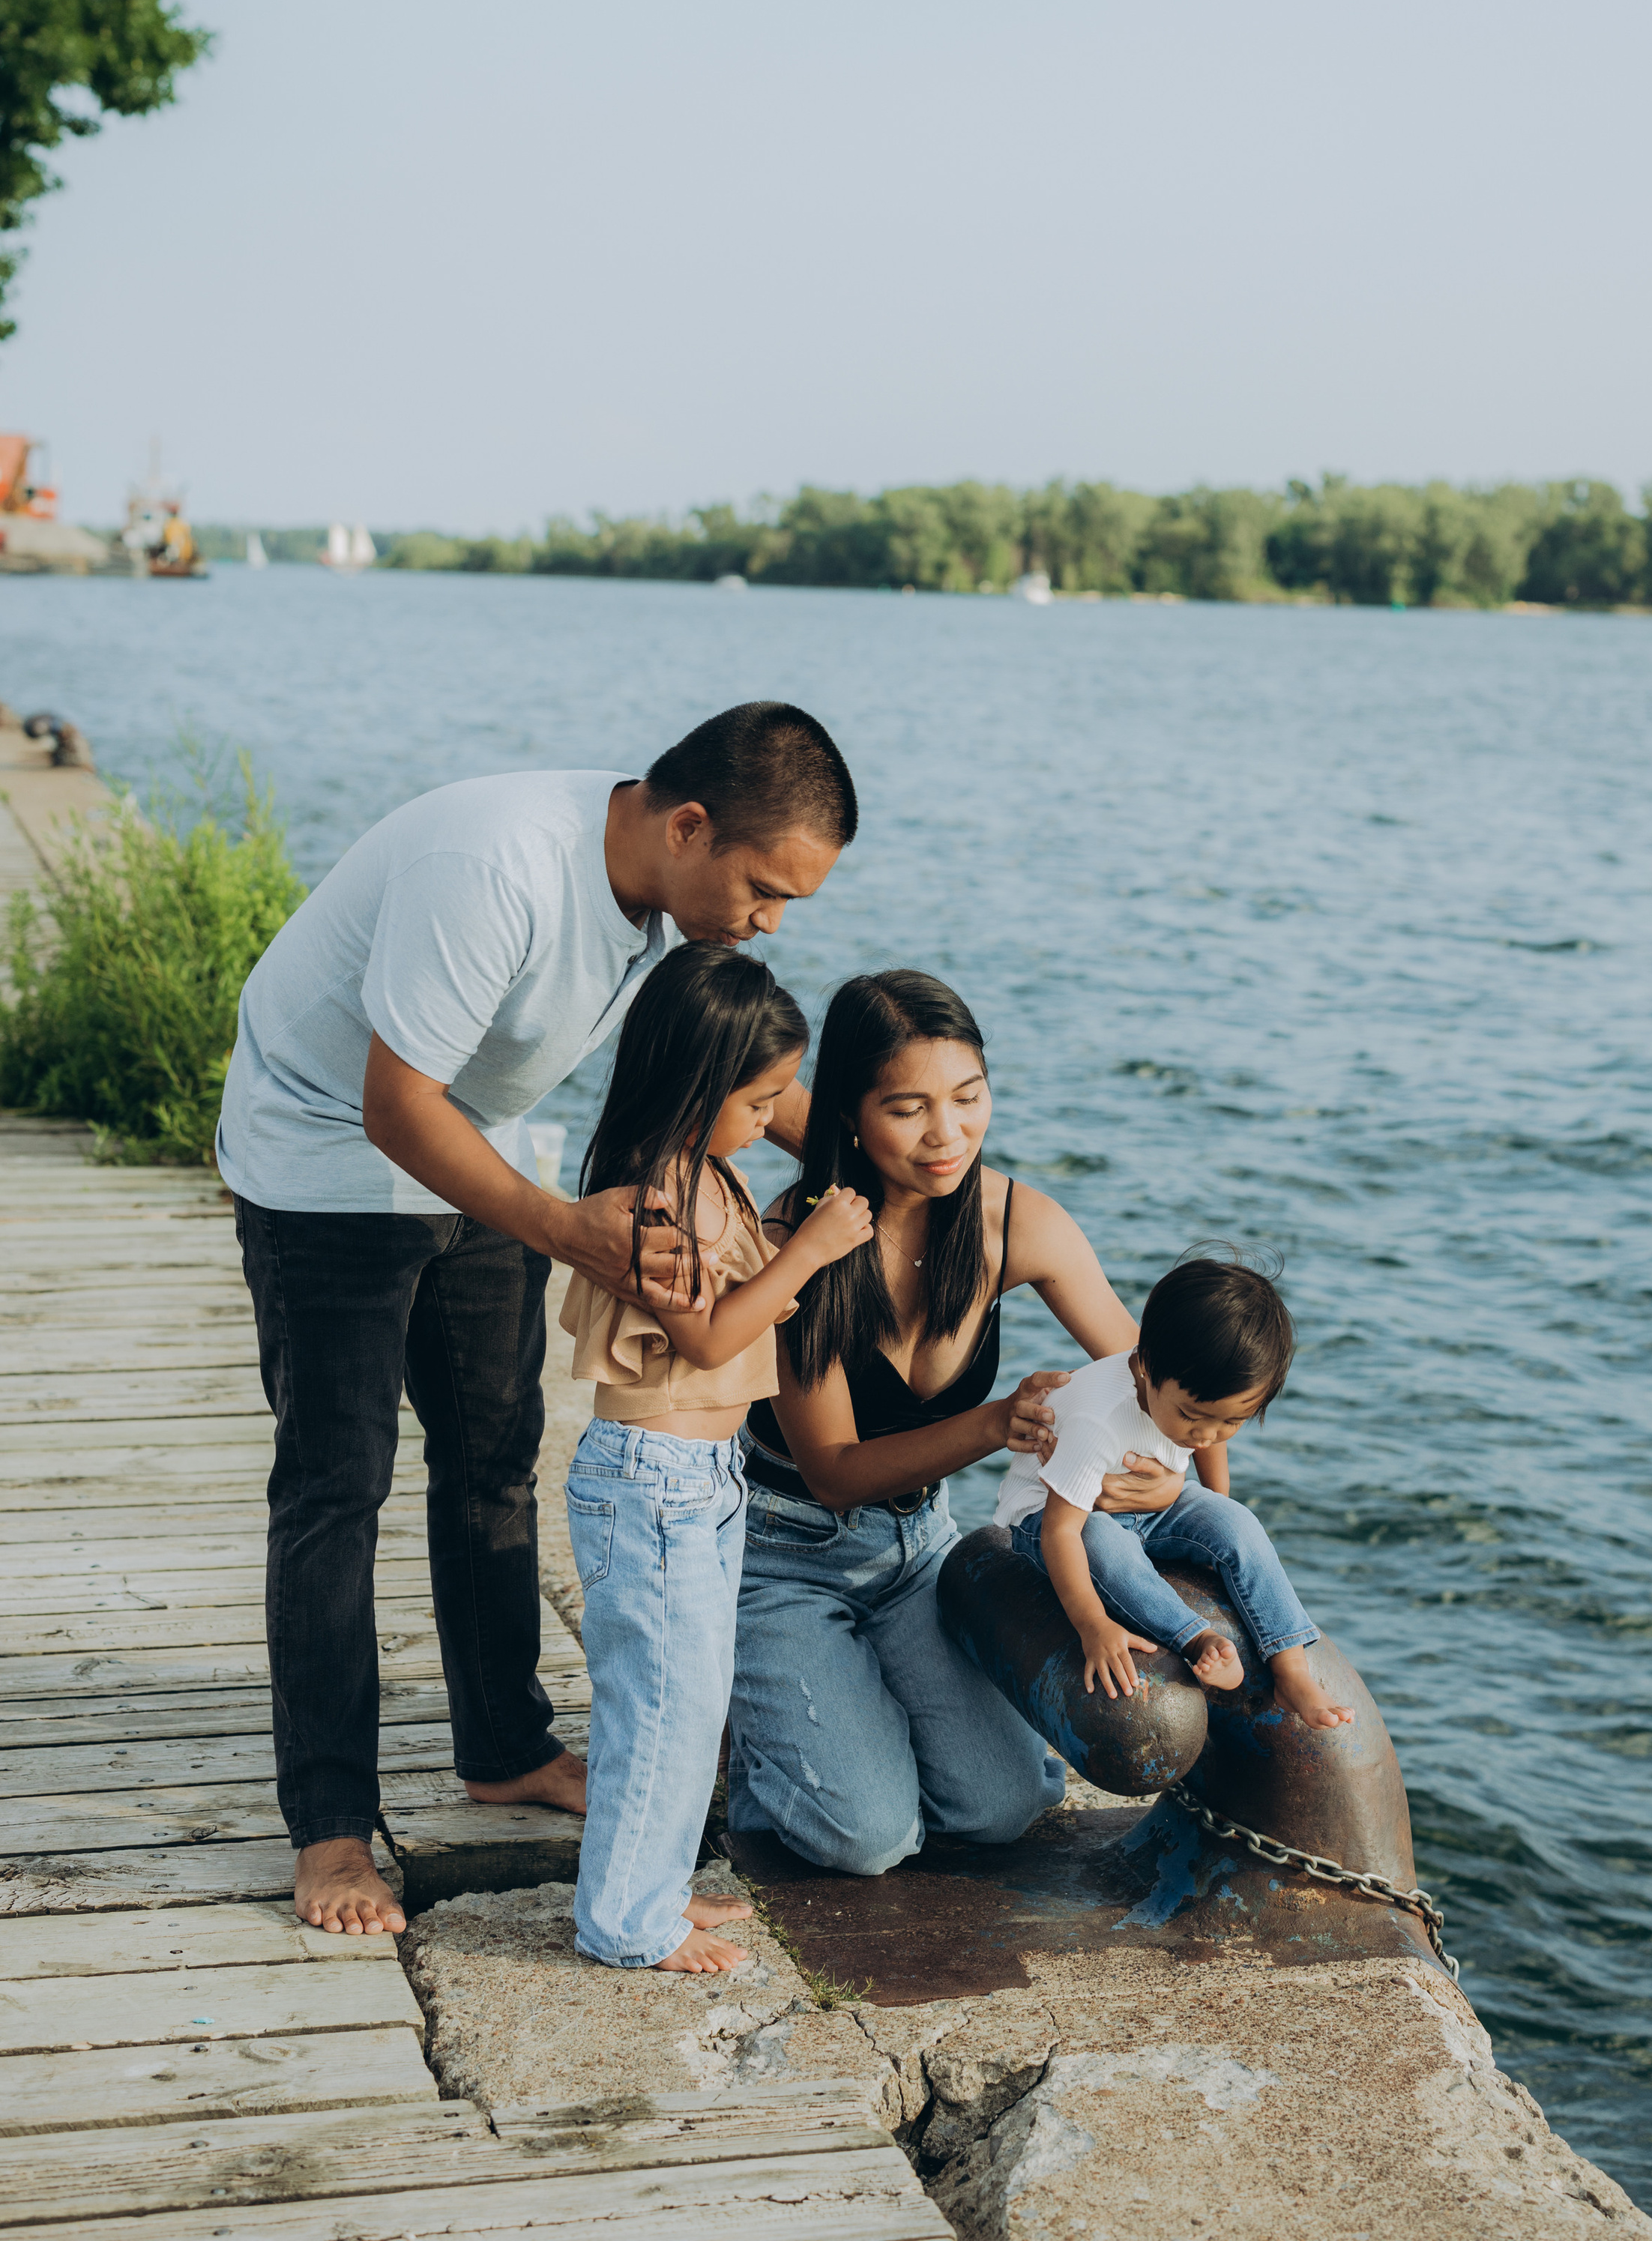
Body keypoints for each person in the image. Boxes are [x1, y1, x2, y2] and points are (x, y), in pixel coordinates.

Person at [215, 701, 856, 1937]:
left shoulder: (661, 896)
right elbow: (394, 1108)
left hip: (476, 1145)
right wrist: (566, 1228)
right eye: (766, 890)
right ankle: (331, 1827)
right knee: (337, 1486)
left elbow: (740, 1080)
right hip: (325, 1153)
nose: (770, 922)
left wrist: (891, 1153)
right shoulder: (497, 868)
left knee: (493, 1458)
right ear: (689, 826)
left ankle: (504, 1747)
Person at [726, 968, 1187, 1875]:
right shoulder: (797, 1241)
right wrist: (991, 1424)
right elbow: (832, 1471)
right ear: (849, 1113)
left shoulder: (1018, 1221)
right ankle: (758, 1726)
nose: (948, 1134)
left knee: (1003, 1807)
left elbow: (1158, 1382)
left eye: (969, 1097)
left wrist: (1169, 1479)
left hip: (919, 1551)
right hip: (779, 1557)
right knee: (868, 1839)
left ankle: (840, 1719)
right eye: (908, 1109)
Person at [560, 942, 872, 1975]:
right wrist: (811, 1251)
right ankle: (624, 1922)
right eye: (761, 1100)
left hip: (696, 1480)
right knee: (664, 1701)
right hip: (653, 1482)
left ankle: (649, 1888)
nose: (774, 1118)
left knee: (688, 1701)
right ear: (700, 1087)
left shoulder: (706, 1171)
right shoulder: (663, 1193)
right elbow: (704, 1339)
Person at [995, 1257, 1354, 1725]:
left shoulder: (1196, 1401)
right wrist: (1093, 1624)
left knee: (1238, 1521)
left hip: (1144, 1507)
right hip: (1047, 1517)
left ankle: (1291, 1668)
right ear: (1146, 1365)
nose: (1205, 1436)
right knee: (1101, 1539)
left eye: (1232, 1421)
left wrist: (1217, 1514)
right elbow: (1062, 1532)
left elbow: (1210, 1443)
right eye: (1191, 1416)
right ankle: (1199, 1641)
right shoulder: (1098, 1420)